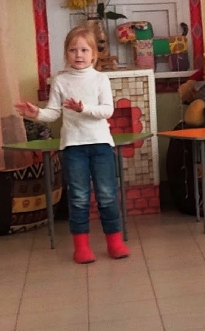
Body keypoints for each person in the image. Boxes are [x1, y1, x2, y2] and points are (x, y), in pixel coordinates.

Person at [15, 26, 127, 263]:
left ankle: (115, 243)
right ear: (66, 53)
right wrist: (36, 114)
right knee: (78, 197)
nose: (78, 54)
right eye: (73, 50)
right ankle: (81, 248)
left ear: (94, 54)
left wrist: (83, 108)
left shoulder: (100, 79)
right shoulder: (61, 80)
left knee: (107, 195)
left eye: (84, 50)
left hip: (100, 145)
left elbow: (107, 110)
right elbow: (53, 113)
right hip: (73, 148)